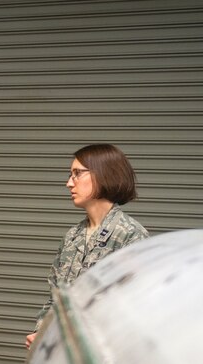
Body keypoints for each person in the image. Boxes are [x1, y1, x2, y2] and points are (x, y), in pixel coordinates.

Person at [25, 144, 149, 349]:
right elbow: (56, 300)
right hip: (66, 356)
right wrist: (42, 332)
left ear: (103, 175)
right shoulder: (73, 237)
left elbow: (135, 310)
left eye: (77, 174)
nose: (68, 183)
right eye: (70, 174)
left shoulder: (130, 236)